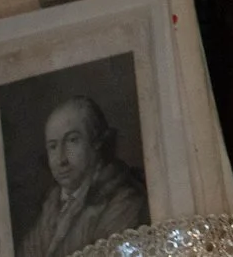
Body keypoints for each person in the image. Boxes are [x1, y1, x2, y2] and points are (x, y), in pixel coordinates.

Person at [16, 95, 149, 257]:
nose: (61, 159)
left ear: (96, 142)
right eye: (53, 147)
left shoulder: (123, 204)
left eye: (72, 140)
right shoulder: (51, 207)